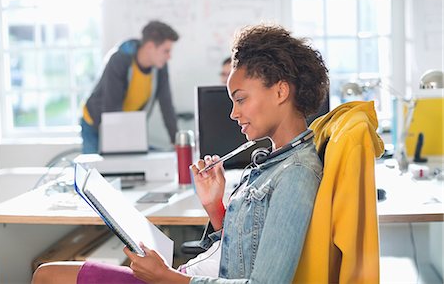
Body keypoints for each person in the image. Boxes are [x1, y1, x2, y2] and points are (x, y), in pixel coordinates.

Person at [32, 23, 329, 283]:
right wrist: (215, 207)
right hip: (188, 276)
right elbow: (244, 251)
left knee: (48, 276)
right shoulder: (273, 162)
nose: (233, 113)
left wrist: (166, 277)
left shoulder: (296, 174)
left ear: (280, 92)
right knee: (50, 274)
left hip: (180, 280)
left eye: (240, 99)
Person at [81, 21, 179, 154]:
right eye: (166, 51)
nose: (169, 56)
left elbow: (166, 104)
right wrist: (122, 141)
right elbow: (111, 107)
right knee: (97, 171)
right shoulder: (119, 60)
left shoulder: (160, 67)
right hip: (96, 123)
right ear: (150, 46)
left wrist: (176, 141)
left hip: (122, 125)